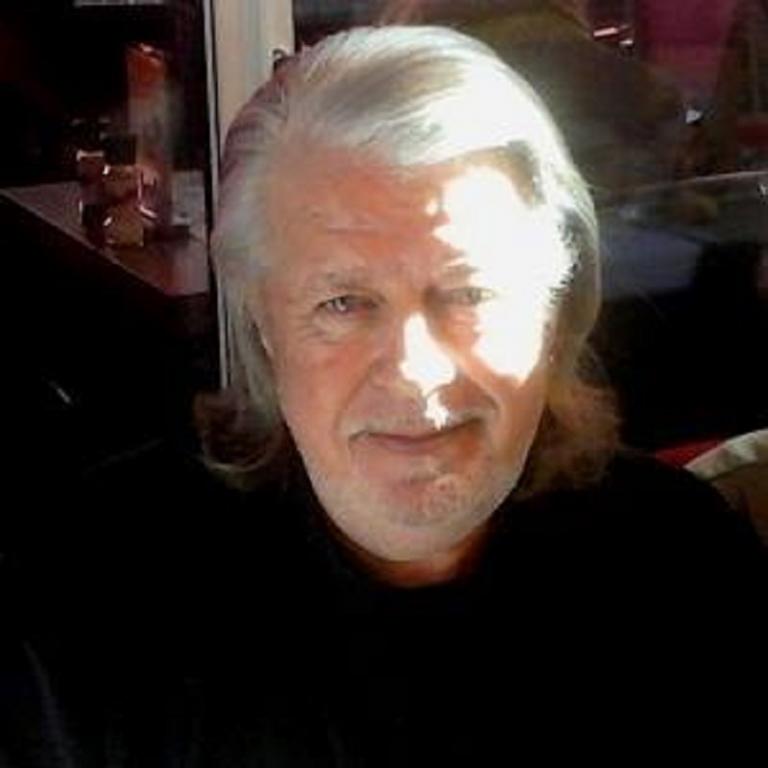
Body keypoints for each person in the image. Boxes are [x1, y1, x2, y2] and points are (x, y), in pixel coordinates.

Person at [3, 24, 766, 767]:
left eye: (469, 293)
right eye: (343, 303)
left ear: (555, 311)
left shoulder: (682, 571)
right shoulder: (90, 612)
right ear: (263, 321)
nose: (417, 373)